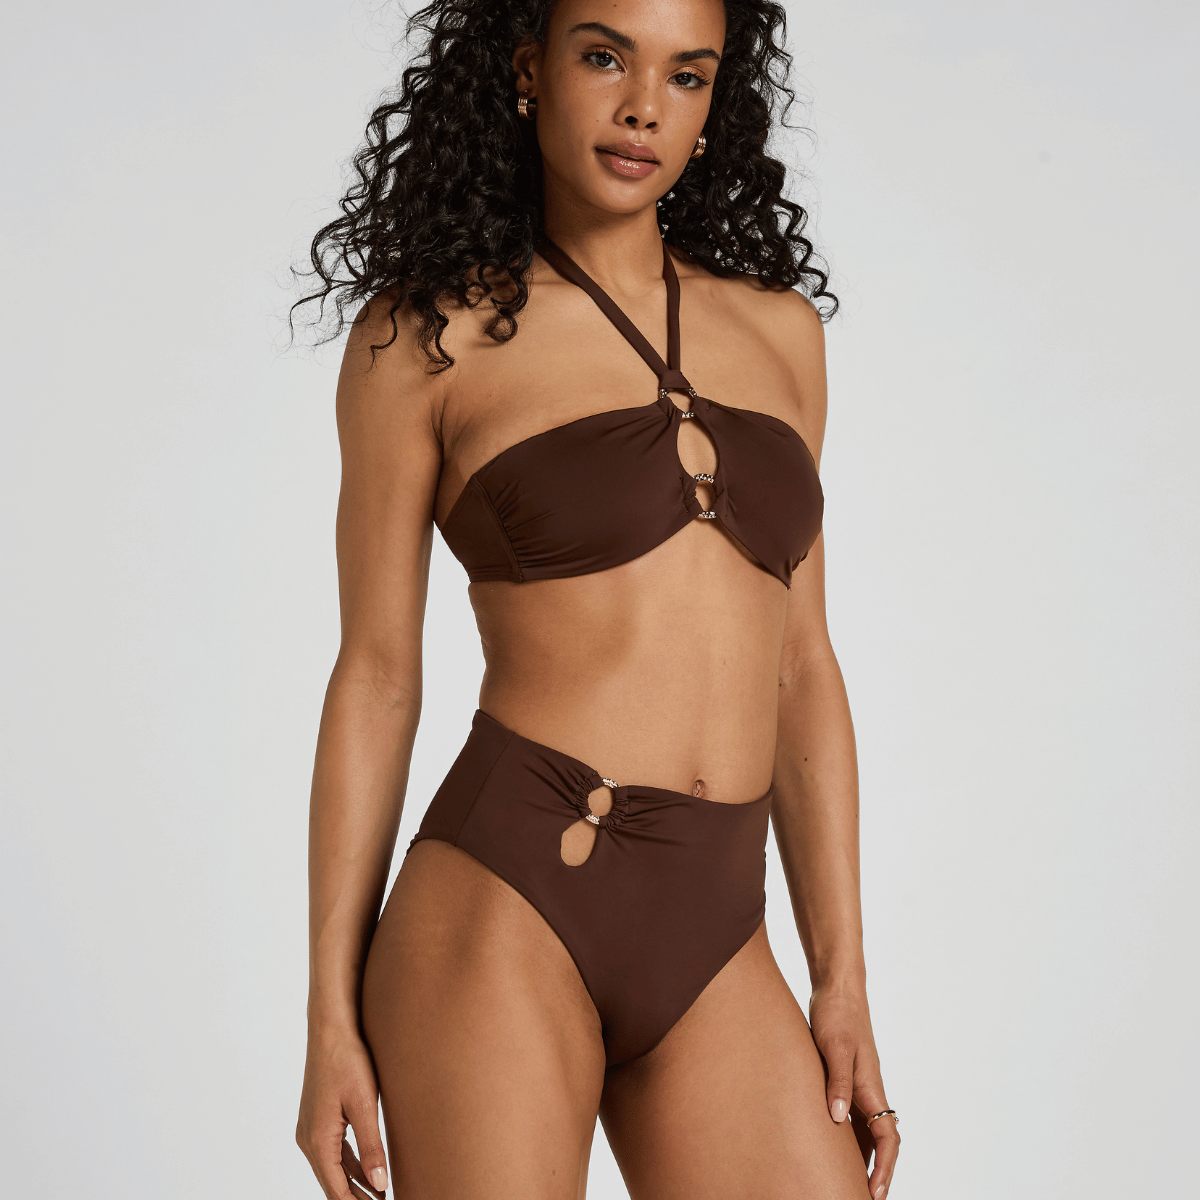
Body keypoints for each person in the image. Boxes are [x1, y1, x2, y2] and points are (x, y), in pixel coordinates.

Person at [293, 1, 900, 1197]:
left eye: (687, 75)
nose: (642, 109)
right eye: (606, 56)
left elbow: (801, 666)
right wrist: (327, 1015)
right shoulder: (425, 339)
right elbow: (378, 674)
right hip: (505, 900)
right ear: (530, 67)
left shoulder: (782, 334)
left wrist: (843, 980)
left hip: (717, 925)